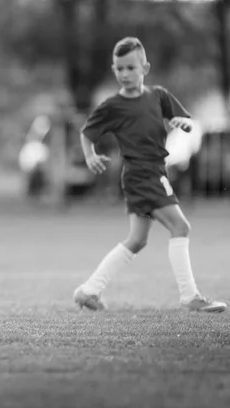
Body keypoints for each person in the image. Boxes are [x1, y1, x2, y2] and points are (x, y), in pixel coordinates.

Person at [72, 37, 226, 313]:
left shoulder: (159, 96)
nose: (125, 74)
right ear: (113, 69)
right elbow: (87, 133)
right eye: (119, 69)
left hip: (151, 172)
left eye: (131, 67)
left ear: (145, 67)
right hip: (142, 174)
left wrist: (182, 123)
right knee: (181, 228)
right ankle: (190, 296)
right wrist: (90, 155)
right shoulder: (112, 105)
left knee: (137, 240)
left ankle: (89, 290)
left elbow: (187, 123)